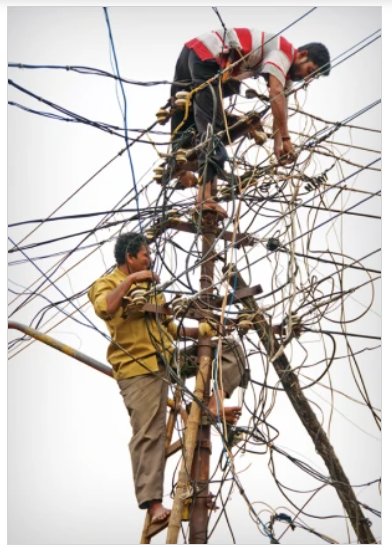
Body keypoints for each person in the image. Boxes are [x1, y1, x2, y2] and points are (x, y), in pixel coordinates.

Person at [88, 232, 246, 524]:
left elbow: (170, 329)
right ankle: (153, 505)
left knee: (229, 348)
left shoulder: (150, 287)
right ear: (130, 258)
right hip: (138, 368)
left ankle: (211, 405)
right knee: (150, 433)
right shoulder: (106, 284)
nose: (149, 259)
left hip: (167, 358)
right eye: (145, 255)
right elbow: (106, 307)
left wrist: (206, 332)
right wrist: (132, 281)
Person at [170, 27, 330, 195]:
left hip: (193, 51)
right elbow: (276, 93)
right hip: (209, 56)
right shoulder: (284, 52)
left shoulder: (285, 74)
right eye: (310, 71)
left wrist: (278, 146)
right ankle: (205, 198)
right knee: (212, 129)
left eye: (312, 76)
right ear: (302, 55)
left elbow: (279, 110)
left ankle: (177, 162)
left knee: (182, 106)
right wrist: (286, 138)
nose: (306, 78)